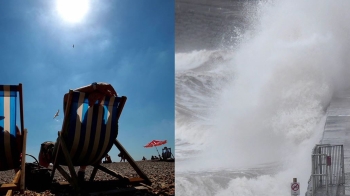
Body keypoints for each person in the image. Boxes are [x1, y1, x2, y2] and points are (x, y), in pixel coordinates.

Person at [38, 82, 118, 181]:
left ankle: (43, 175)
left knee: (46, 145)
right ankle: (81, 171)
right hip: (94, 157)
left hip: (65, 157)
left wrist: (95, 87)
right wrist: (105, 97)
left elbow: (68, 96)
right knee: (89, 143)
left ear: (85, 116)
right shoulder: (109, 129)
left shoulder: (75, 124)